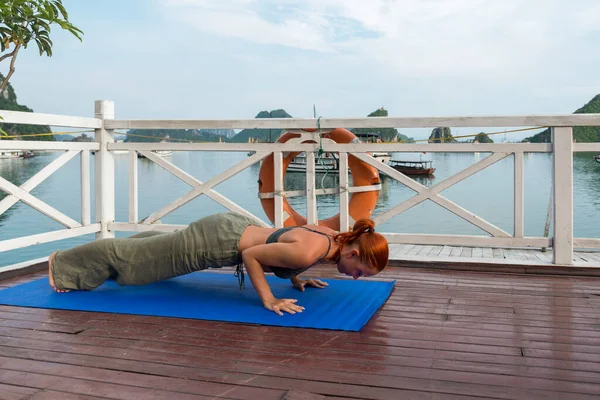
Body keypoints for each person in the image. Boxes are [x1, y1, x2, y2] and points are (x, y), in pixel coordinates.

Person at [48, 211, 389, 316]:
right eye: (360, 271)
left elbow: (285, 243)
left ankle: (97, 259)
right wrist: (268, 298)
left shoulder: (332, 237)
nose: (357, 278)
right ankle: (63, 265)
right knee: (136, 265)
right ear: (354, 253)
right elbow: (252, 255)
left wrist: (297, 279)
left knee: (153, 249)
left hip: (232, 226)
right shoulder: (311, 250)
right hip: (217, 242)